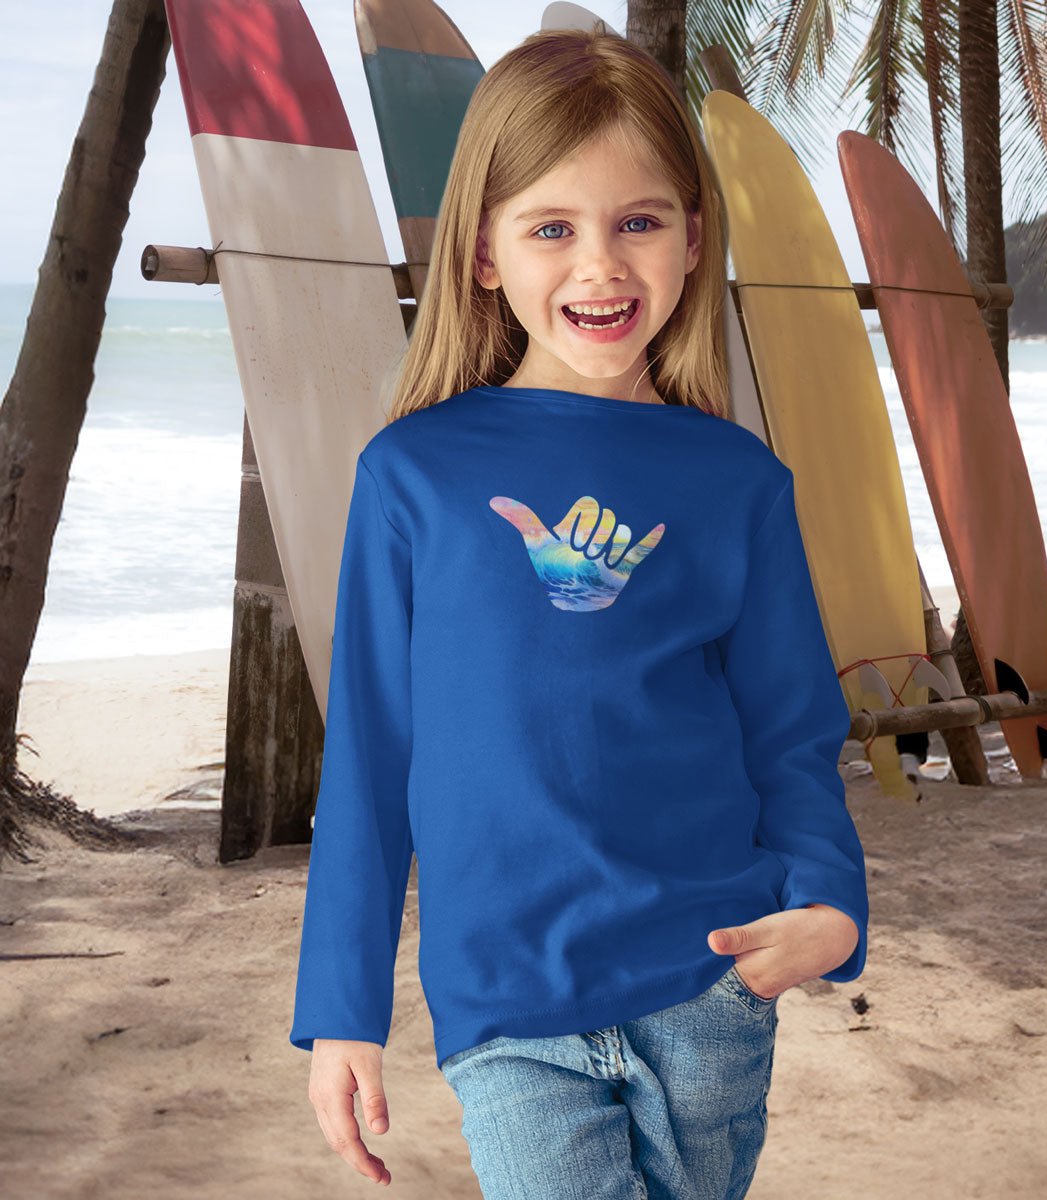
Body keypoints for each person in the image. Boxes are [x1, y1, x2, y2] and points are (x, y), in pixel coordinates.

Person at [290, 24, 869, 1200]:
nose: (600, 266)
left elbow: (790, 727)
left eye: (638, 222)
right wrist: (340, 1011)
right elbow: (369, 756)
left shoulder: (738, 479)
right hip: (507, 1005)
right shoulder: (416, 476)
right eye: (552, 227)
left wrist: (833, 905)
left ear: (693, 241)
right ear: (486, 254)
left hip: (713, 979)